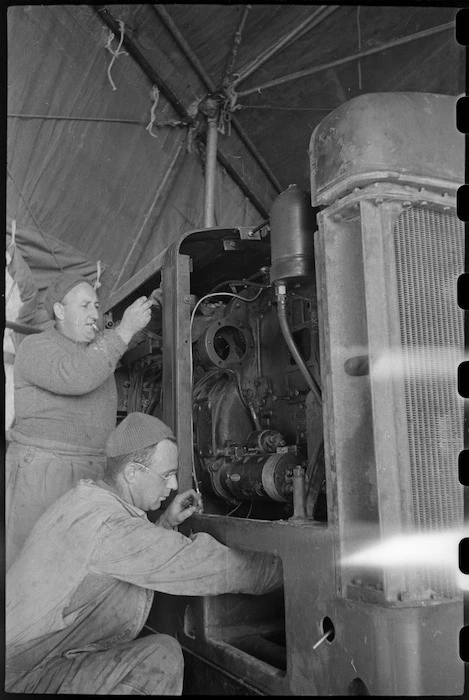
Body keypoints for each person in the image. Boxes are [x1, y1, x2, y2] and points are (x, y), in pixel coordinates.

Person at [5, 412, 282, 695]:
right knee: (161, 659)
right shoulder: (109, 527)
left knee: (159, 652)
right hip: (26, 674)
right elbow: (203, 565)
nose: (173, 486)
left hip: (37, 658)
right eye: (167, 475)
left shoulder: (87, 500)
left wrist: (165, 524)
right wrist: (291, 569)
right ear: (133, 473)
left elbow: (122, 554)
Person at [5, 272, 154, 569]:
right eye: (84, 306)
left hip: (88, 470)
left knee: (75, 569)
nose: (94, 314)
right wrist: (124, 329)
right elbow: (77, 376)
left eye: (96, 306)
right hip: (45, 472)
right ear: (60, 311)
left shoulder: (94, 352)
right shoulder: (36, 347)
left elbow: (100, 357)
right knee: (33, 567)